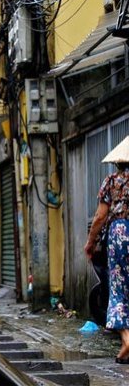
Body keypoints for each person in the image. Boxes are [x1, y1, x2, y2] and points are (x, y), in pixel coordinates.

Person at [84, 136, 129, 364]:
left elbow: (101, 216)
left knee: (118, 287)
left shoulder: (112, 181)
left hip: (120, 234)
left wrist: (90, 242)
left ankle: (127, 339)